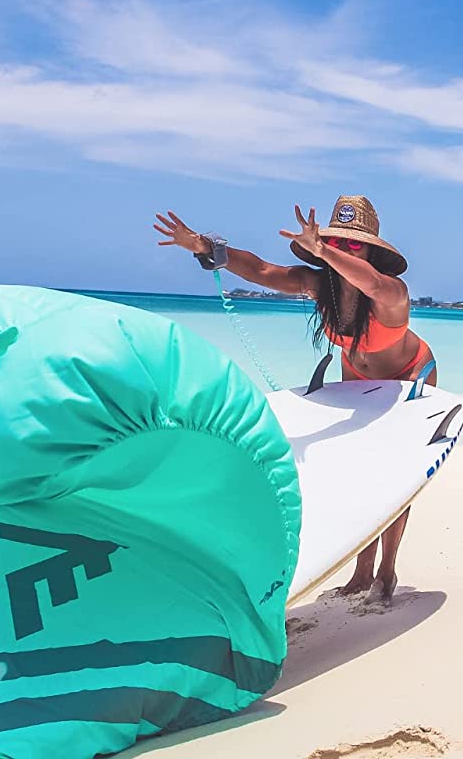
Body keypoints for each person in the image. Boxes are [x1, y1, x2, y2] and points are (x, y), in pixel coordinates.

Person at [154, 196, 437, 604]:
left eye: (353, 245)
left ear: (373, 250)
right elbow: (261, 270)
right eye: (336, 244)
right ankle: (361, 570)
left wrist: (324, 249)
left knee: (398, 471)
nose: (342, 250)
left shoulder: (391, 293)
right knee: (361, 468)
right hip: (358, 375)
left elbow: (371, 283)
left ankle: (387, 572)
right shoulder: (319, 285)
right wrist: (205, 247)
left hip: (410, 375)